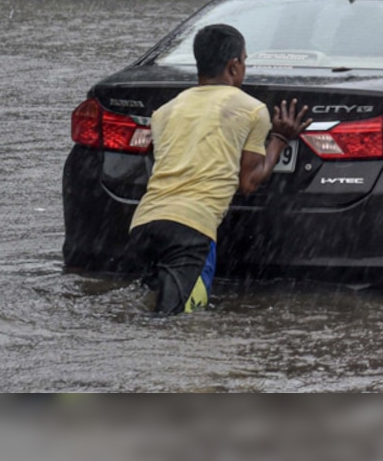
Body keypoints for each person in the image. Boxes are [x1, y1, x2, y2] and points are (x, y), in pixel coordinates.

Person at [127, 24, 311, 314]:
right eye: (245, 61)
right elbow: (248, 182)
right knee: (178, 322)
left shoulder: (165, 111)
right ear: (234, 66)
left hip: (144, 225)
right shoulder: (251, 109)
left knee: (151, 313)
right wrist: (279, 138)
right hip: (192, 231)